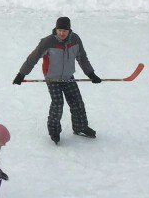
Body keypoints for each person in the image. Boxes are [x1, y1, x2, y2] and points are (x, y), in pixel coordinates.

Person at [13, 16, 100, 144]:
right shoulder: (47, 42)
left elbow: (82, 58)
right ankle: (54, 131)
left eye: (64, 31)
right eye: (59, 30)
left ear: (69, 30)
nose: (61, 33)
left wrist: (91, 74)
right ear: (56, 29)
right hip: (52, 78)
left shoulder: (75, 40)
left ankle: (80, 127)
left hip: (68, 77)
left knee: (77, 102)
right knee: (58, 104)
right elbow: (32, 58)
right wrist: (21, 74)